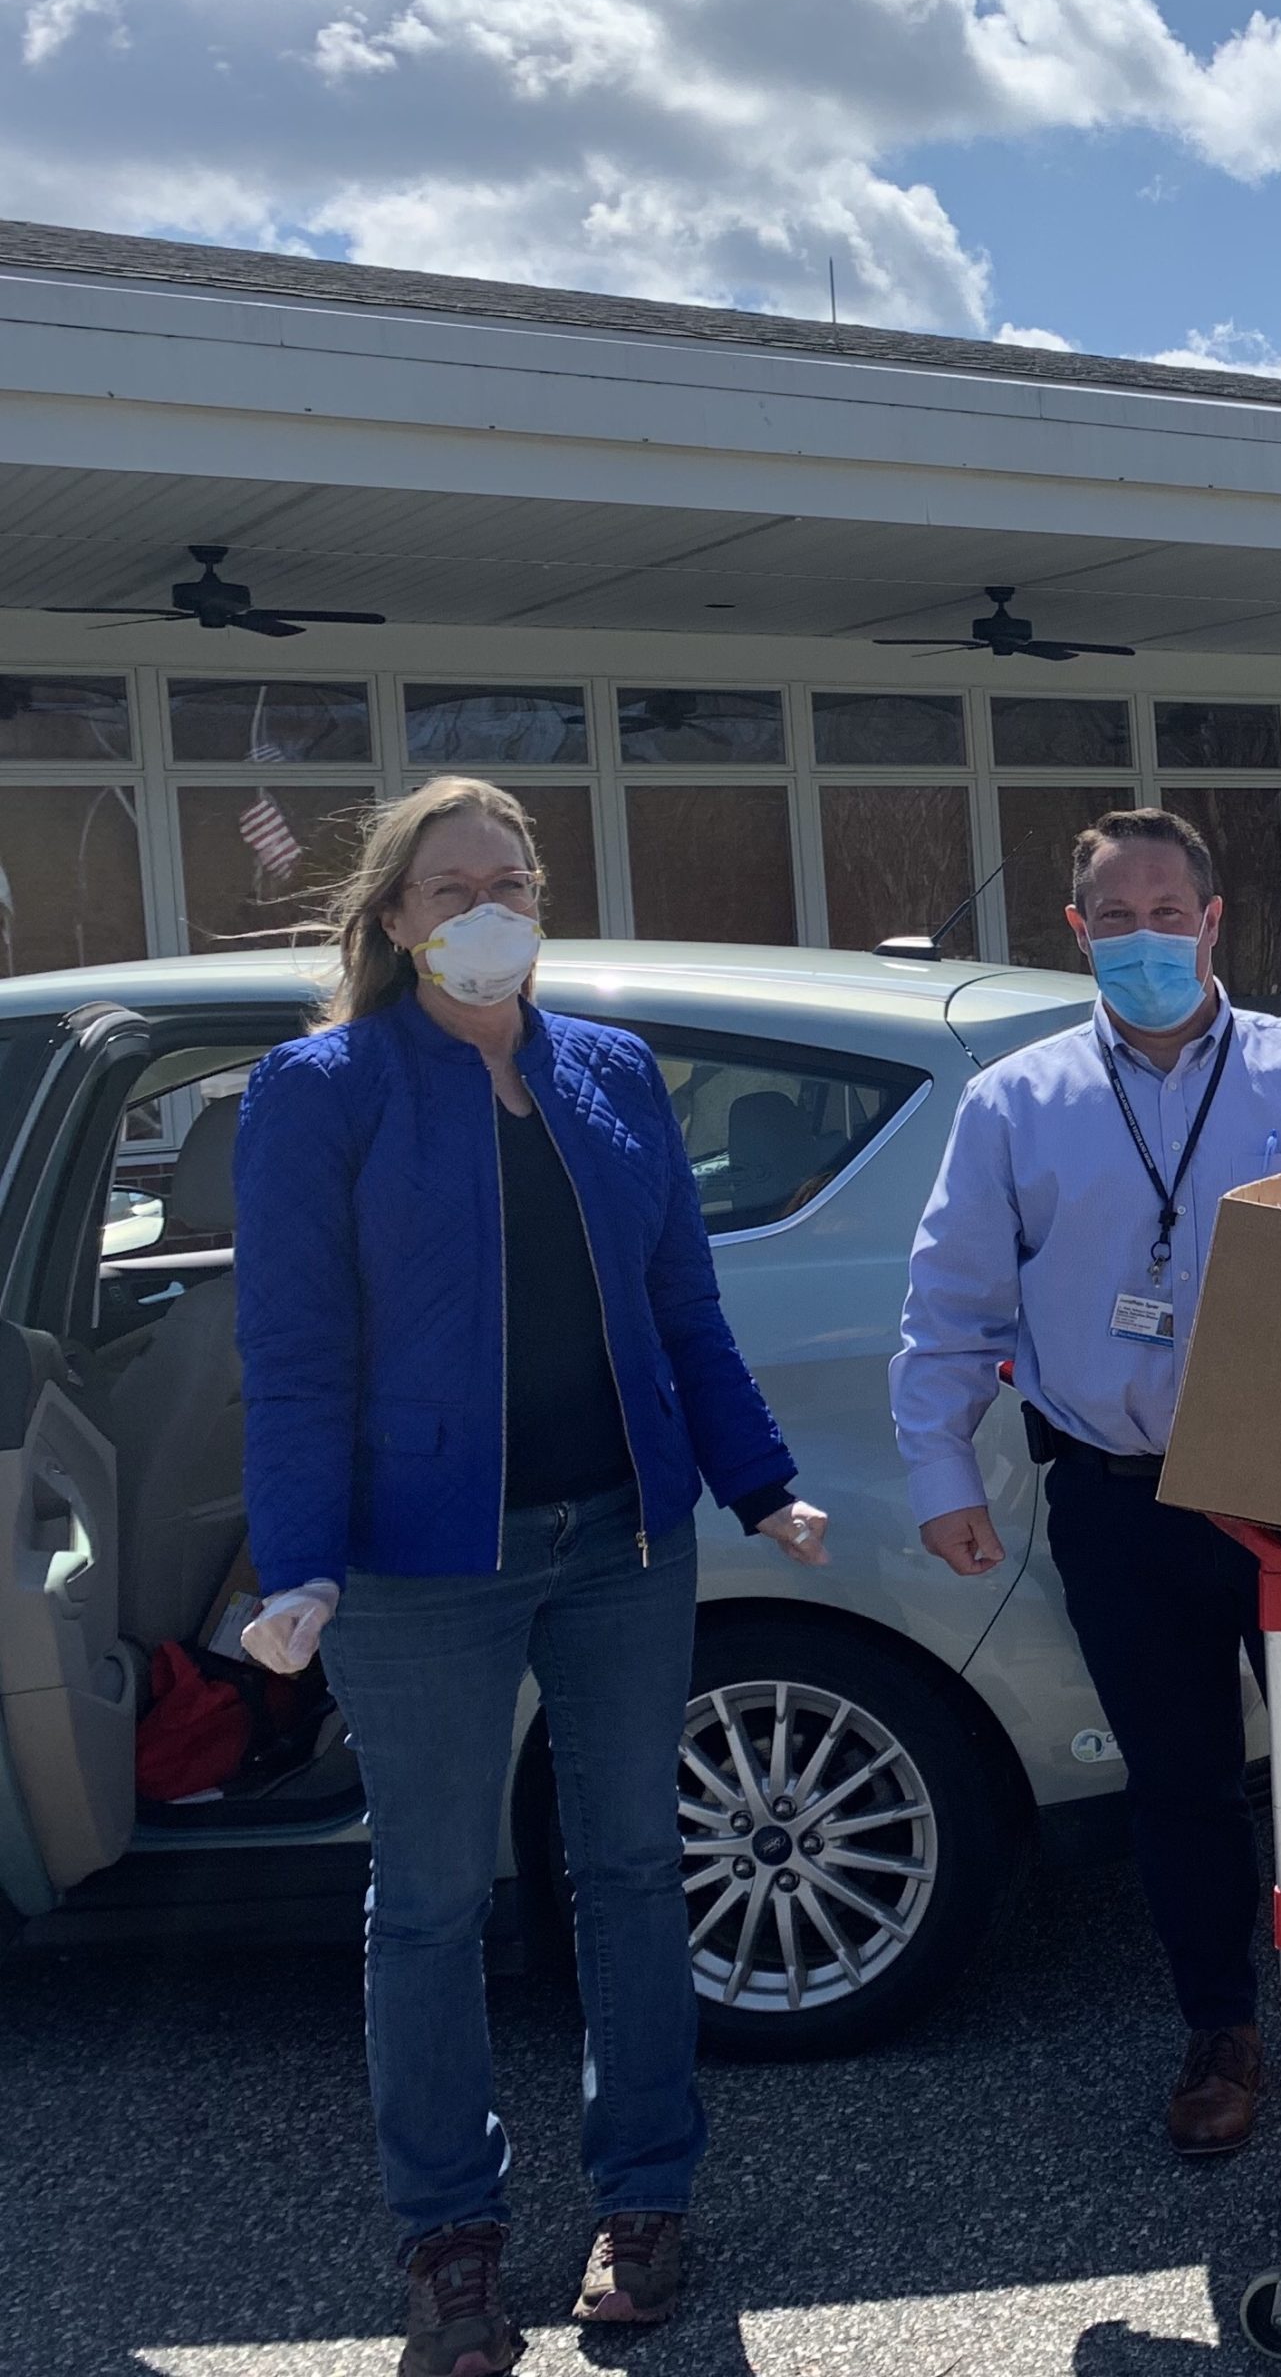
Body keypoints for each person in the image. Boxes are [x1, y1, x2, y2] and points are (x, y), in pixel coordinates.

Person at [233, 775, 830, 2376]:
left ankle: (645, 2197)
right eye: (451, 888)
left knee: (633, 1870)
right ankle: (451, 2240)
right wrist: (296, 1566)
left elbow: (686, 1317)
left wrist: (763, 1487)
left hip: (621, 1539)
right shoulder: (321, 1090)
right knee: (429, 1901)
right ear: (391, 919)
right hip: (423, 1564)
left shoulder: (613, 1074)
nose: (487, 908)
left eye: (512, 880)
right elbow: (289, 1358)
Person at [891, 806, 1281, 2157]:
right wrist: (938, 1469)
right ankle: (1220, 2026)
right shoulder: (1015, 1102)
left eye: (1165, 911)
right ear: (1077, 934)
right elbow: (950, 1301)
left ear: (1213, 920)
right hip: (1121, 1497)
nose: (1145, 938)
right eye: (1114, 918)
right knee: (1179, 1785)